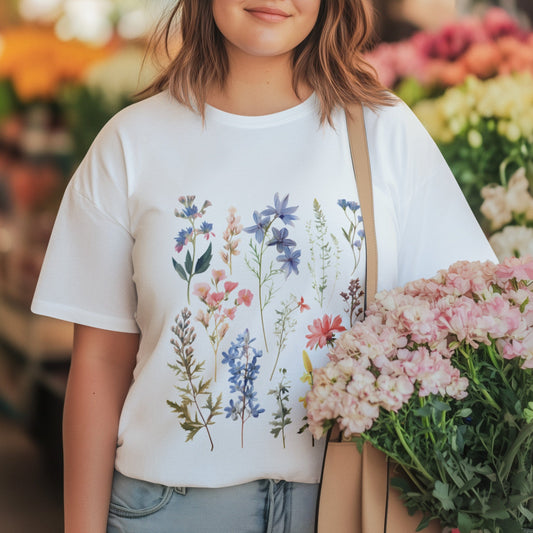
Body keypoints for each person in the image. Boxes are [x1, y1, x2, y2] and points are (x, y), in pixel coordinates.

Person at [31, 1, 497, 532]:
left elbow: (468, 325)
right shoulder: (130, 144)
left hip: (349, 507)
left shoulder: (386, 133)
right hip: (166, 512)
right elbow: (100, 363)